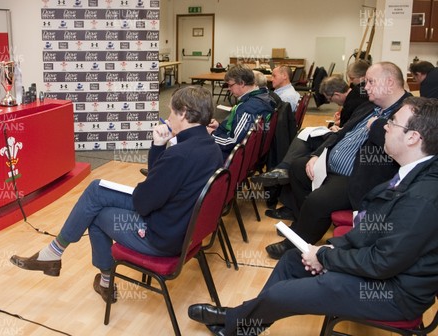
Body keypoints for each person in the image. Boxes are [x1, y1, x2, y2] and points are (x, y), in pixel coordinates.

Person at [188, 96, 438, 336]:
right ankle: (245, 325)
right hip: (382, 273)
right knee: (291, 260)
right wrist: (328, 249)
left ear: (413, 138)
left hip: (393, 293)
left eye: (393, 122)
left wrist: (326, 256)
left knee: (281, 294)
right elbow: (375, 236)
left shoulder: (423, 197)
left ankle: (235, 321)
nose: (385, 127)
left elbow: (382, 262)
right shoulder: (413, 174)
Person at [9, 86, 223, 302]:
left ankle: (88, 272)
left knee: (95, 212)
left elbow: (143, 203)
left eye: (170, 112)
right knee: (96, 191)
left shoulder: (180, 155)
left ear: (183, 113)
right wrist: (159, 146)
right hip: (184, 231)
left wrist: (160, 148)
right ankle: (59, 257)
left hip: (160, 238)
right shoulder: (211, 148)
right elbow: (158, 186)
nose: (167, 117)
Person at [265, 62, 411, 259]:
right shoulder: (370, 106)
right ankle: (304, 223)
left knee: (318, 200)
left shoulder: (407, 112)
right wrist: (317, 154)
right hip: (331, 165)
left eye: (370, 82)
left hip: (358, 176)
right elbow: (342, 133)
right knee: (298, 167)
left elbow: (400, 147)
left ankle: (297, 243)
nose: (365, 86)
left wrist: (377, 126)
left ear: (390, 82)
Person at [209, 65, 275, 159]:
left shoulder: (249, 108)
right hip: (252, 152)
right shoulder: (264, 95)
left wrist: (211, 134)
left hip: (235, 157)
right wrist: (219, 127)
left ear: (242, 83)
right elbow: (239, 129)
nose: (229, 88)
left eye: (230, 85)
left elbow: (233, 142)